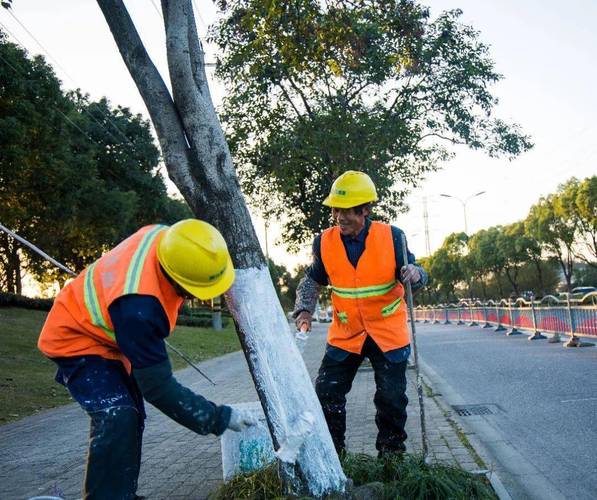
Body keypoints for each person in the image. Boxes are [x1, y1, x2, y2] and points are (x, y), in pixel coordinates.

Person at [38, 219, 257, 499]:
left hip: (110, 335)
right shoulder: (139, 308)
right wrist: (219, 418)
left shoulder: (172, 239)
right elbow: (157, 387)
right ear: (178, 281)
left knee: (131, 415)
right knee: (117, 415)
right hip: (76, 337)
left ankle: (120, 493)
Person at [293, 171, 427, 458]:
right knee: (327, 393)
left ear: (365, 210)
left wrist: (414, 274)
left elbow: (419, 274)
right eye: (336, 210)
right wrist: (304, 309)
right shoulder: (324, 242)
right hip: (346, 334)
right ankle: (334, 458)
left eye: (347, 210)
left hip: (387, 333)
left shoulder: (393, 237)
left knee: (391, 399)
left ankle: (391, 460)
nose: (339, 216)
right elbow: (312, 280)